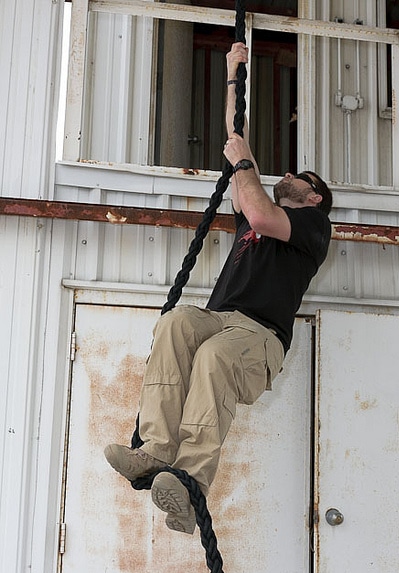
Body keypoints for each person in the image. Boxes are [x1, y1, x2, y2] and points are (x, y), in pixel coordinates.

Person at [104, 42, 332, 534]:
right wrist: (234, 70)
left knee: (214, 358)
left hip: (259, 336)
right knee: (177, 322)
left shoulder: (313, 226)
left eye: (300, 177)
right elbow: (236, 134)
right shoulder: (255, 206)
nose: (288, 175)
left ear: (314, 197)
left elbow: (258, 208)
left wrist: (247, 163)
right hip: (221, 318)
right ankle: (156, 450)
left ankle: (190, 483)